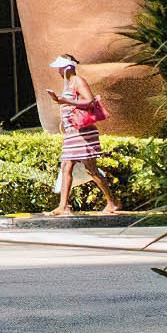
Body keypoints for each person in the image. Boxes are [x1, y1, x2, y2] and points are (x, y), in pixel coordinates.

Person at [47, 54, 119, 216]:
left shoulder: (78, 81)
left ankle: (111, 202)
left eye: (60, 68)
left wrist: (65, 102)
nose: (58, 71)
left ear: (67, 68)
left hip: (83, 133)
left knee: (91, 168)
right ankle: (63, 205)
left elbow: (89, 101)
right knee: (66, 166)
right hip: (73, 133)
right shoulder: (67, 84)